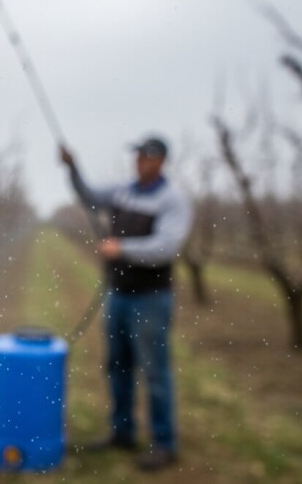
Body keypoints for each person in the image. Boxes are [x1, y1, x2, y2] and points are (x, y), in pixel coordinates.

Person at [60, 136, 193, 471]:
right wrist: (72, 168)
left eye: (146, 157)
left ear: (161, 160)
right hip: (119, 295)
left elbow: (166, 247)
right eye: (137, 156)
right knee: (117, 366)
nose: (139, 162)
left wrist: (122, 249)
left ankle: (165, 443)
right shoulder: (124, 191)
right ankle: (123, 432)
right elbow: (89, 197)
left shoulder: (172, 200)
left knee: (155, 371)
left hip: (150, 298)